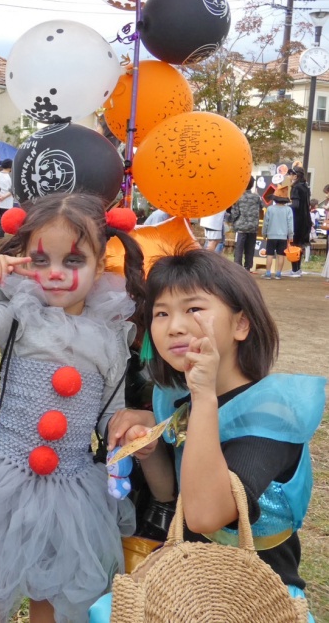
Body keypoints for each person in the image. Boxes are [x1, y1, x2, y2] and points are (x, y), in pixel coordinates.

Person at [0, 193, 147, 623]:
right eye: (40, 260)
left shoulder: (111, 336)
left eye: (73, 261)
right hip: (5, 477)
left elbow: (109, 412)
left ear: (100, 265)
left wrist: (125, 429)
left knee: (51, 591)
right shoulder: (18, 317)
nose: (55, 273)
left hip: (69, 487)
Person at [101, 250, 325, 620]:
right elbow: (170, 494)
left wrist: (203, 397)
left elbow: (206, 516)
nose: (174, 326)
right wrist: (149, 449)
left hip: (254, 599)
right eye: (161, 313)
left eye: (193, 309)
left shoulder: (272, 410)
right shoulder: (178, 398)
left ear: (241, 324)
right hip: (186, 589)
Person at [227, 176, 262, 272]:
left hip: (241, 227)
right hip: (253, 227)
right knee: (250, 247)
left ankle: (237, 266)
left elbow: (235, 213)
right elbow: (261, 207)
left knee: (239, 247)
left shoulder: (239, 197)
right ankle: (248, 267)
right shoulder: (256, 197)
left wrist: (231, 221)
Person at [261, 193, 294, 280]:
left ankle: (268, 273)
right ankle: (278, 273)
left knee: (269, 254)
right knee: (281, 255)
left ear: (275, 200)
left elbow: (265, 222)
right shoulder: (288, 209)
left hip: (271, 235)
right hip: (283, 236)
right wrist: (290, 235)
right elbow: (290, 224)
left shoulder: (270, 209)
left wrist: (264, 234)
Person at [288, 167, 312, 277]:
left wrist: (285, 206)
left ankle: (295, 270)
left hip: (297, 220)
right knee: (300, 245)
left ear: (295, 175)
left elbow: (295, 205)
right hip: (306, 219)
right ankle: (298, 269)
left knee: (294, 244)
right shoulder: (305, 187)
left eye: (291, 174)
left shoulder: (296, 187)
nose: (289, 176)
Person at [0, 158, 15, 239]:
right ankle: (0, 235)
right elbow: (13, 190)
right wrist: (4, 196)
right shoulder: (11, 177)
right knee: (3, 220)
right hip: (7, 202)